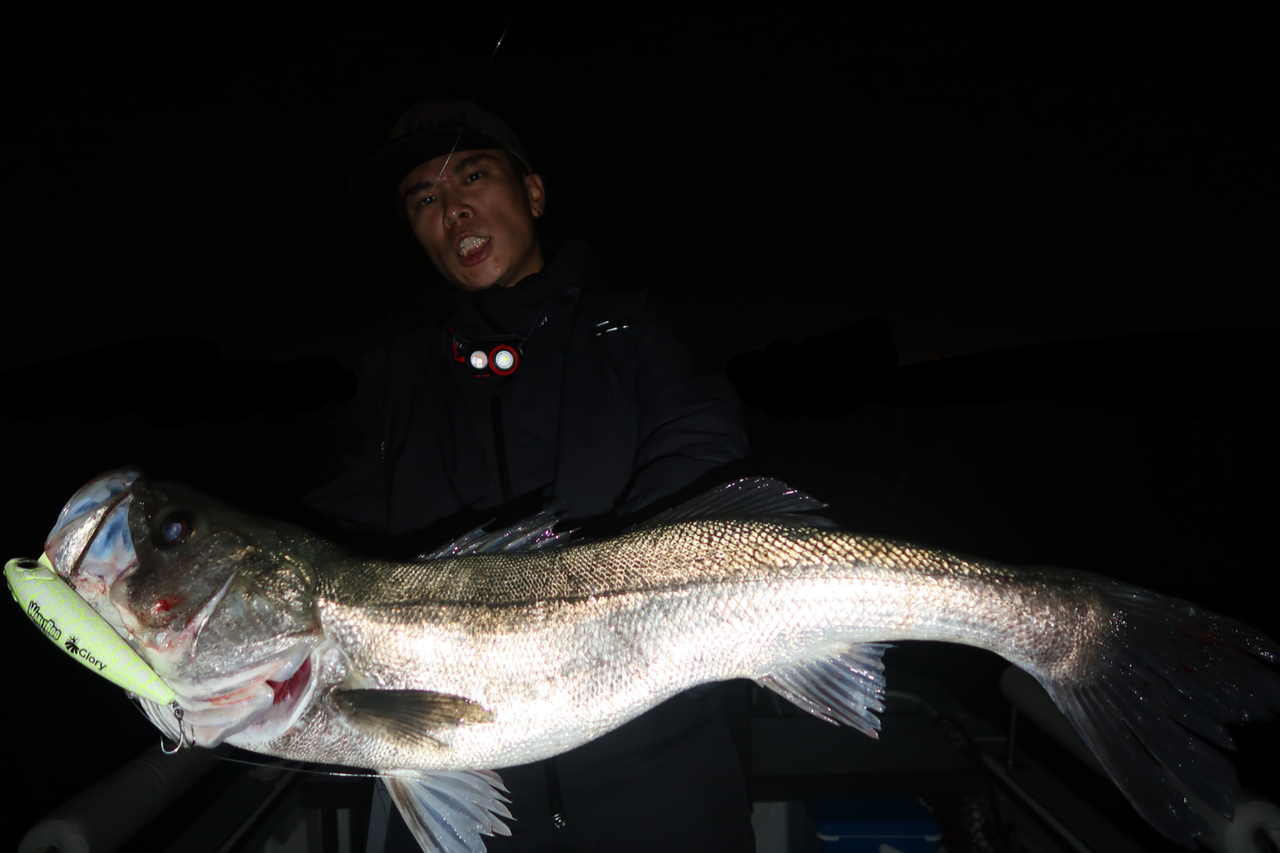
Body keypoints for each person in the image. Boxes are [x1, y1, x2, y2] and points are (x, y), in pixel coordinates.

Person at [306, 99, 754, 852]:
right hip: (457, 780)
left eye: (472, 176)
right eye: (422, 199)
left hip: (663, 770)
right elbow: (333, 540)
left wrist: (586, 605)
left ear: (534, 193)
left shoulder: (639, 326)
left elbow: (704, 461)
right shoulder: (389, 379)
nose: (451, 209)